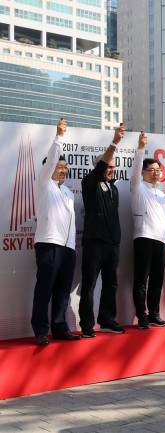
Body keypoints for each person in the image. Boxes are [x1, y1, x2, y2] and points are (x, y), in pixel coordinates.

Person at [31, 118, 80, 346]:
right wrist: (59, 136)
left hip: (67, 248)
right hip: (48, 244)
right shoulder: (44, 185)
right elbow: (51, 160)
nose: (63, 170)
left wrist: (71, 247)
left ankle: (60, 328)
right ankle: (41, 330)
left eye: (65, 168)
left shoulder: (68, 193)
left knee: (62, 291)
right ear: (48, 169)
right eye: (59, 167)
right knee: (45, 288)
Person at [79, 124, 125, 338]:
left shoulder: (114, 188)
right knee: (89, 284)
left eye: (114, 168)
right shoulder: (89, 182)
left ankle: (107, 319)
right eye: (108, 167)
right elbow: (99, 170)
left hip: (112, 244)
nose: (111, 170)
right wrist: (115, 142)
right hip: (94, 243)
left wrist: (116, 241)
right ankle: (87, 325)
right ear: (99, 166)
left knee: (111, 283)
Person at [131, 131, 165, 329]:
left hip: (161, 241)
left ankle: (155, 313)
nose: (156, 172)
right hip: (144, 238)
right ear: (143, 172)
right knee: (141, 280)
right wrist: (141, 148)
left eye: (158, 169)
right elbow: (137, 166)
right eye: (152, 170)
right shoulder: (138, 187)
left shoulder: (160, 194)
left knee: (157, 280)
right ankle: (142, 316)